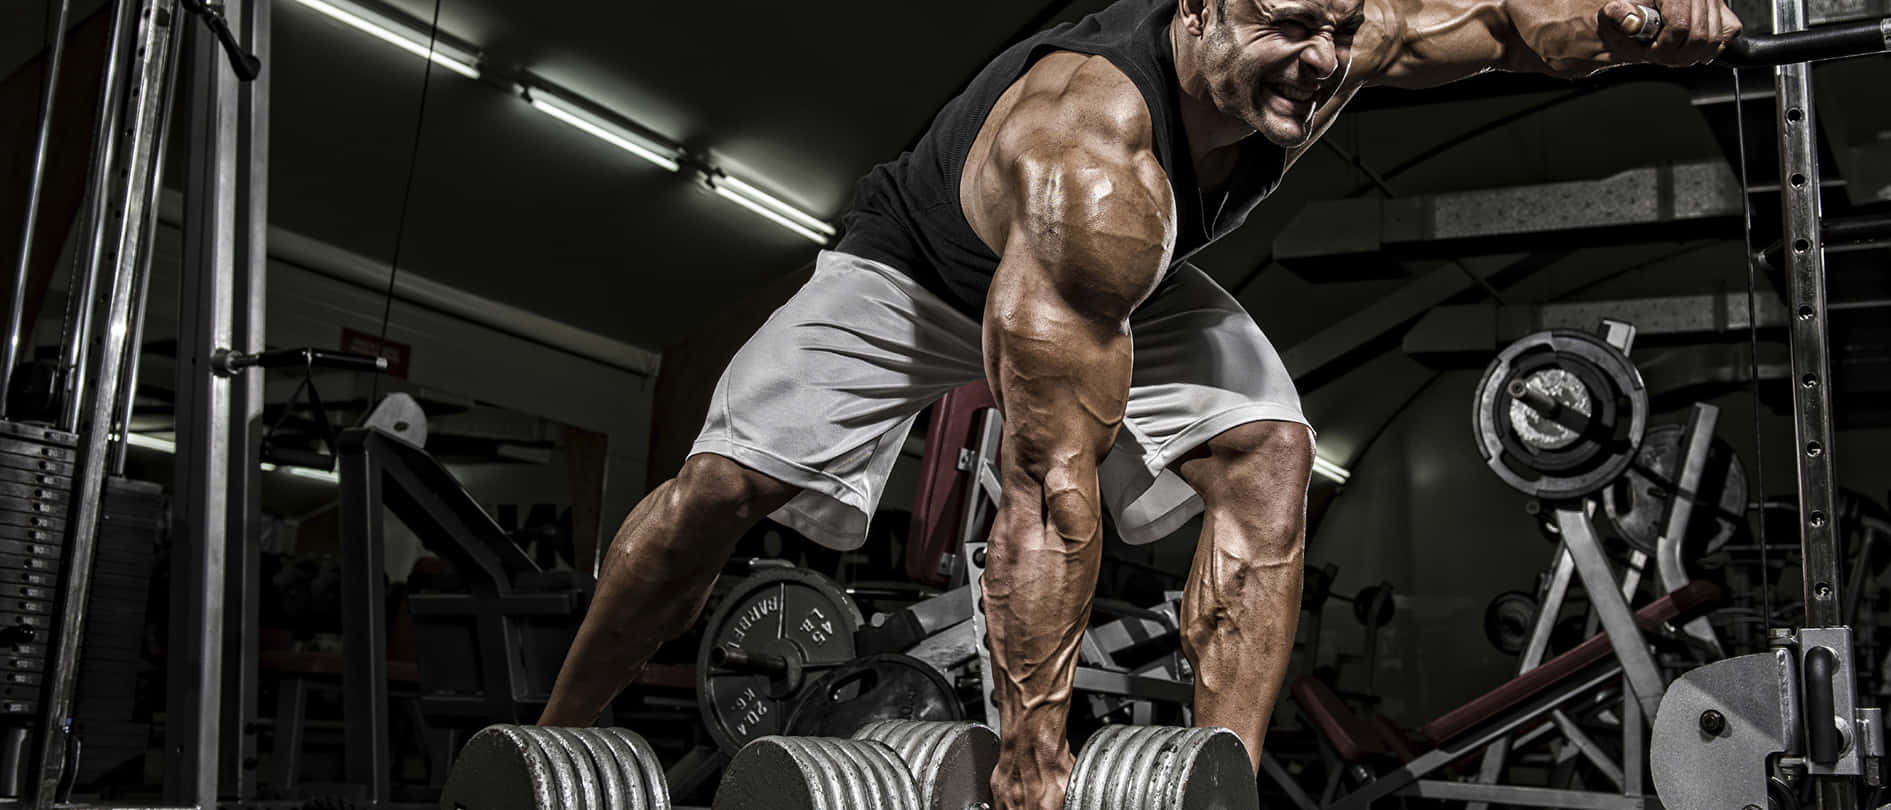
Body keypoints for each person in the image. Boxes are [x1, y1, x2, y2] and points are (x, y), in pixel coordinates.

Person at [539, 0, 1740, 806]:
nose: (1319, 60)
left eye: (1334, 28)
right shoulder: (1093, 158)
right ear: (1202, 4)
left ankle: (1221, 778)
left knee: (1272, 457)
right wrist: (1030, 763)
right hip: (913, 273)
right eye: (1285, 26)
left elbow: (1504, 26)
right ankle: (562, 730)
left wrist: (1650, 19)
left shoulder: (1334, 40)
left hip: (1124, 282)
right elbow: (1049, 503)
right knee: (717, 492)